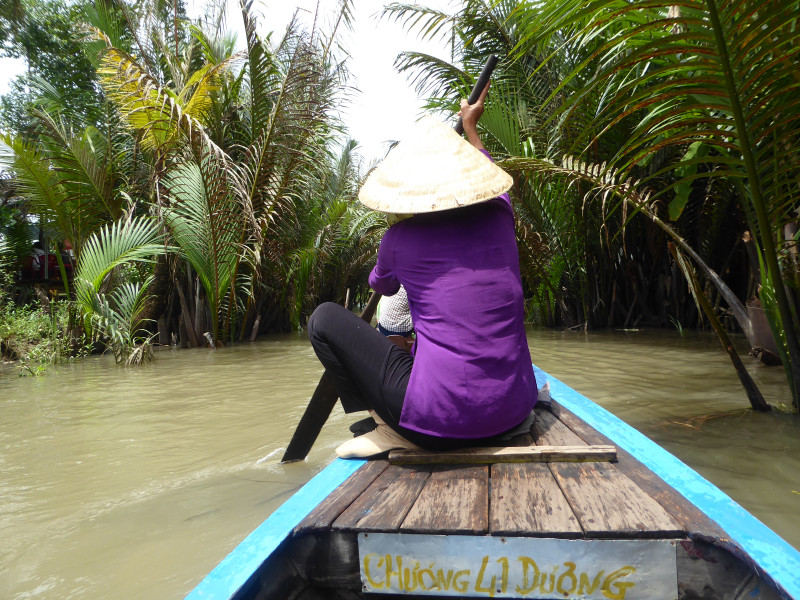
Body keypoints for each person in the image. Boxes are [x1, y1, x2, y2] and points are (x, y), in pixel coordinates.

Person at [308, 84, 537, 458]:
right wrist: (471, 126)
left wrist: (392, 252)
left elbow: (380, 284)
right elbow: (489, 169)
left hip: (441, 425)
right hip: (513, 411)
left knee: (323, 318)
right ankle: (394, 422)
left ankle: (387, 427)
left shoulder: (400, 238)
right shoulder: (501, 215)